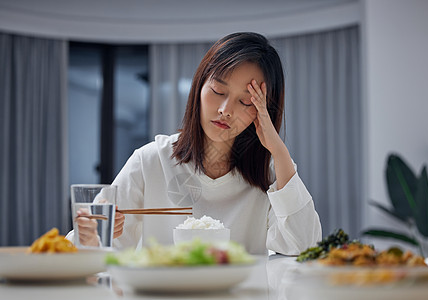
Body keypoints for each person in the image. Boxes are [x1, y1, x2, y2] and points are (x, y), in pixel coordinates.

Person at [69, 32, 321, 255]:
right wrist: (89, 234)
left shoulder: (270, 175)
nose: (225, 110)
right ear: (199, 87)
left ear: (263, 109)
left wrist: (279, 150)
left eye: (246, 102)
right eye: (218, 92)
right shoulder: (151, 160)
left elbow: (304, 246)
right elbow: (93, 248)